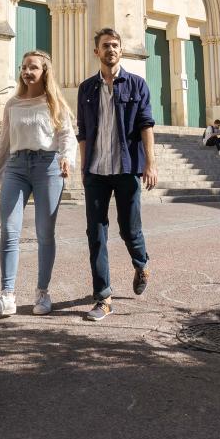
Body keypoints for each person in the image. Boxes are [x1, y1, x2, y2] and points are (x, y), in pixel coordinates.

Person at [0, 50, 76, 318]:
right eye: (24, 67)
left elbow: (67, 135)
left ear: (44, 71)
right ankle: (7, 296)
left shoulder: (53, 101)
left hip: (47, 167)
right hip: (16, 167)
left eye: (33, 67)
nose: (27, 71)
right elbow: (4, 143)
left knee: (45, 233)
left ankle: (43, 292)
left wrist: (66, 158)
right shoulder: (12, 104)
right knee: (9, 230)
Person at [77, 28, 157, 323]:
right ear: (96, 51)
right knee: (96, 235)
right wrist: (84, 168)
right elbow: (83, 132)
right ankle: (103, 297)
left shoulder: (137, 85)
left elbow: (146, 125)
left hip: (126, 169)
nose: (110, 49)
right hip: (96, 172)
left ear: (121, 51)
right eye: (105, 46)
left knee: (129, 229)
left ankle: (142, 263)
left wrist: (151, 163)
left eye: (115, 45)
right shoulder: (86, 89)